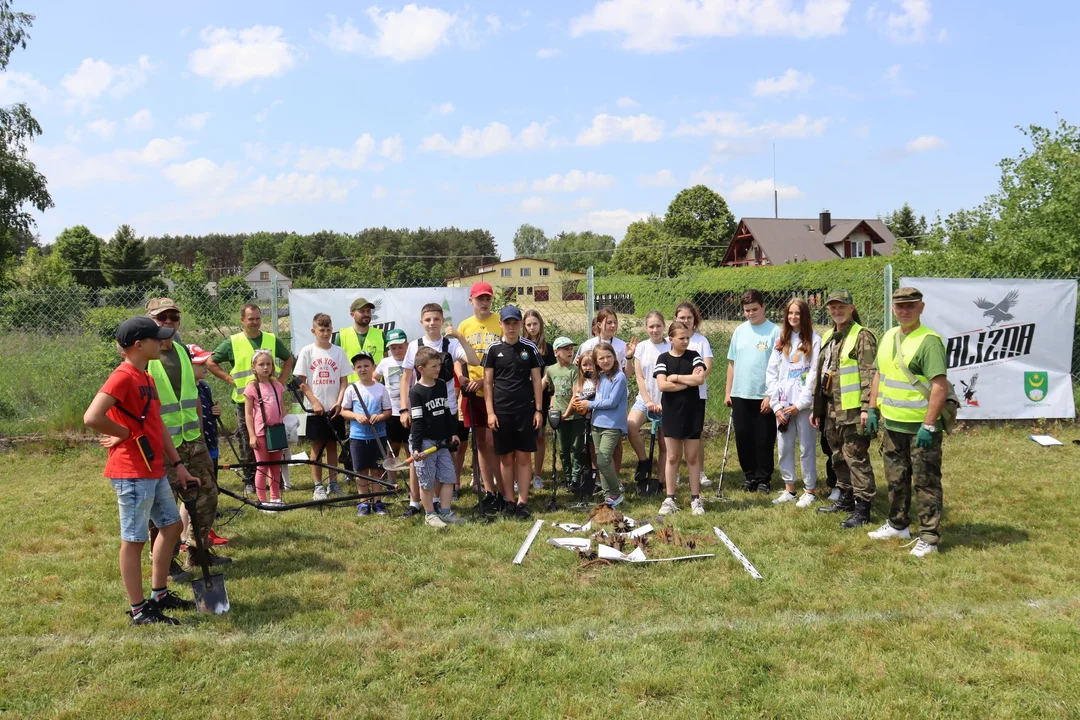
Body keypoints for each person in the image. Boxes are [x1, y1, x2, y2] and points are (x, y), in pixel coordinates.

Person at [83, 316, 198, 626]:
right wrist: (121, 433)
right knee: (133, 541)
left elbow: (156, 424)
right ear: (138, 345)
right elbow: (92, 416)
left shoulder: (145, 376)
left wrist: (178, 465)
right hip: (131, 471)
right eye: (155, 338)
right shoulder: (122, 376)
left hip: (154, 468)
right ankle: (139, 610)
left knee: (172, 527)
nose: (161, 342)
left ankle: (159, 594)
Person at [144, 298, 229, 576]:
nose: (169, 322)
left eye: (173, 317)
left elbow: (191, 394)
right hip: (161, 444)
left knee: (207, 496)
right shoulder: (145, 356)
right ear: (150, 320)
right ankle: (165, 562)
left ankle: (197, 551)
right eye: (162, 317)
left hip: (193, 440)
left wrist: (202, 432)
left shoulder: (182, 350)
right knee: (162, 506)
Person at [866, 287, 948, 558]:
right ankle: (898, 524)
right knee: (896, 478)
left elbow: (939, 386)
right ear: (893, 309)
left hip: (919, 429)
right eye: (899, 306)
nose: (904, 310)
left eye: (910, 306)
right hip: (892, 425)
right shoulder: (889, 336)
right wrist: (873, 408)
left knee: (926, 482)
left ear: (921, 307)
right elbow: (879, 374)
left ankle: (929, 537)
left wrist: (929, 424)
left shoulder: (929, 341)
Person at [401, 304, 480, 514]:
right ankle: (414, 503)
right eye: (427, 320)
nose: (432, 323)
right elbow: (406, 378)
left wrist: (460, 336)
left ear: (442, 320)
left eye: (436, 319)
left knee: (441, 454)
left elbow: (474, 360)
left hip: (446, 408)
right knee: (418, 454)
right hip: (422, 410)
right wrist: (403, 409)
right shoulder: (414, 346)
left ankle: (436, 501)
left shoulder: (450, 344)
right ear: (422, 322)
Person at [207, 304, 293, 495]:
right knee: (248, 440)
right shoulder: (233, 342)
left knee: (272, 441)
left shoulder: (271, 339)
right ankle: (250, 479)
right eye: (250, 319)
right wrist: (230, 379)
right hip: (244, 401)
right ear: (242, 321)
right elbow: (211, 362)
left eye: (257, 318)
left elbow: (288, 358)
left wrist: (282, 380)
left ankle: (273, 482)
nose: (254, 322)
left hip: (269, 400)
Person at [810, 290, 878, 529]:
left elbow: (870, 374)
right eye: (832, 307)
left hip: (852, 411)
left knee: (856, 458)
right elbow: (821, 374)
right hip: (830, 409)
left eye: (841, 306)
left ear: (852, 307)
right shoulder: (829, 335)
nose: (836, 311)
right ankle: (846, 498)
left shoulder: (862, 336)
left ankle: (863, 508)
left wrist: (867, 407)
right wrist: (817, 409)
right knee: (837, 456)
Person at [483, 305, 544, 519]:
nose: (511, 327)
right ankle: (509, 499)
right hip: (501, 411)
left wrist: (538, 409)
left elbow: (536, 380)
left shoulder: (530, 348)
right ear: (500, 324)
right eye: (507, 323)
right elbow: (488, 383)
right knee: (506, 459)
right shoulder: (492, 350)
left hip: (525, 411)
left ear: (520, 325)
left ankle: (522, 502)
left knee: (524, 457)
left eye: (515, 323)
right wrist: (490, 412)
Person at [766, 298, 822, 508]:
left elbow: (814, 373)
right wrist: (776, 406)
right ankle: (790, 488)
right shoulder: (782, 340)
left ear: (805, 315)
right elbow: (771, 372)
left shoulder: (814, 340)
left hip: (803, 405)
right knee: (784, 447)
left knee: (806, 448)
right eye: (790, 313)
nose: (793, 317)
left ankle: (810, 490)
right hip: (783, 405)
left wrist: (800, 403)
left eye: (797, 313)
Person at [724, 289, 781, 494]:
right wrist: (728, 391)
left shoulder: (774, 331)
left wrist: (770, 395)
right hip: (740, 393)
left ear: (764, 307)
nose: (750, 313)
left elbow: (780, 367)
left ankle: (763, 478)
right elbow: (732, 363)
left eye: (754, 309)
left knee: (763, 438)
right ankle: (749, 476)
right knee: (744, 437)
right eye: (747, 310)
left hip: (763, 395)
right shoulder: (739, 331)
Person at [294, 313, 350, 500]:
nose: (325, 334)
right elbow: (301, 382)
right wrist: (315, 402)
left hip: (334, 409)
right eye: (321, 330)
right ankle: (318, 486)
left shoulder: (339, 352)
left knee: (333, 446)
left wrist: (339, 402)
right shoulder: (307, 351)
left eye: (328, 330)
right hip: (315, 410)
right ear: (314, 331)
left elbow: (344, 381)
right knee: (317, 446)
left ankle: (333, 484)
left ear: (332, 330)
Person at [655, 321, 708, 516]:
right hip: (671, 413)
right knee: (672, 456)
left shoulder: (694, 357)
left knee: (692, 457)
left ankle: (696, 498)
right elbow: (662, 385)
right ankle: (670, 498)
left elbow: (700, 379)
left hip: (692, 411)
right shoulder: (663, 358)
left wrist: (676, 377)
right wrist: (688, 382)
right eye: (681, 338)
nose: (685, 341)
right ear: (671, 339)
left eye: (687, 338)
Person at [409, 347, 464, 528]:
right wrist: (416, 447)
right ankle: (430, 514)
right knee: (426, 480)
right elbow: (416, 422)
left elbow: (448, 411)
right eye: (433, 366)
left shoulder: (441, 384)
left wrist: (452, 433)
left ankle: (446, 512)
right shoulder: (416, 392)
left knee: (449, 477)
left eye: (438, 365)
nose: (437, 369)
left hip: (441, 442)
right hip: (425, 442)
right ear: (421, 369)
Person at [458, 282, 503, 506]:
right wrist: (462, 379)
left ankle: (503, 488)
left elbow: (507, 360)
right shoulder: (465, 326)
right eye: (480, 299)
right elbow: (458, 357)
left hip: (496, 391)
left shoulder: (500, 323)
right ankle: (489, 490)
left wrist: (483, 381)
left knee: (495, 441)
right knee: (481, 444)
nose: (484, 303)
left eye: (487, 298)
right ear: (471, 301)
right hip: (474, 393)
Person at [577, 307, 636, 476]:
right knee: (594, 438)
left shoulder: (621, 345)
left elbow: (627, 374)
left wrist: (629, 357)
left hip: (613, 397)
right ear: (598, 324)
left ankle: (615, 475)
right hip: (591, 396)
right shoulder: (587, 345)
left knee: (614, 439)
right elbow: (581, 371)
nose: (613, 326)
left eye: (615, 322)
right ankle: (598, 475)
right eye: (608, 322)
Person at [574, 342, 627, 507]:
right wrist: (582, 400)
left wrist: (588, 405)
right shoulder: (600, 376)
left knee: (603, 461)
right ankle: (608, 496)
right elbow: (597, 398)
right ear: (596, 361)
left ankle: (616, 493)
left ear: (614, 357)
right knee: (600, 460)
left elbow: (611, 402)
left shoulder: (619, 376)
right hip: (596, 424)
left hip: (612, 425)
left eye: (608, 356)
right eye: (601, 358)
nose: (605, 360)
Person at [340, 352, 392, 516]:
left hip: (378, 435)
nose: (363, 369)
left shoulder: (381, 388)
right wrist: (356, 416)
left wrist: (380, 416)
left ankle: (377, 502)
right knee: (361, 471)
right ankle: (363, 503)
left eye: (366, 366)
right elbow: (344, 411)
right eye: (359, 367)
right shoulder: (351, 389)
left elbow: (388, 411)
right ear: (354, 369)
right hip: (358, 437)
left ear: (374, 367)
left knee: (377, 470)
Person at [188, 344, 228, 547]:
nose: (205, 366)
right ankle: (189, 537)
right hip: (196, 448)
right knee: (197, 494)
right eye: (200, 363)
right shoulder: (187, 390)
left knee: (209, 491)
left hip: (210, 444)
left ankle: (204, 532)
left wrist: (214, 412)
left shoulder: (204, 387)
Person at [674, 301, 714, 487]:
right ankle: (674, 473)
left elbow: (707, 368)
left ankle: (700, 472)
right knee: (676, 434)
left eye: (689, 317)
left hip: (697, 395)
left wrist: (690, 381)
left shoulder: (701, 341)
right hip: (675, 394)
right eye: (682, 317)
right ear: (676, 319)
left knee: (695, 435)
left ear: (694, 319)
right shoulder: (671, 341)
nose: (686, 320)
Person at [627, 311, 668, 486]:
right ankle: (644, 461)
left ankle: (660, 480)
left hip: (667, 402)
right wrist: (648, 400)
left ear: (664, 326)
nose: (655, 330)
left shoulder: (671, 346)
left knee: (663, 442)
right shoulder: (642, 347)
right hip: (645, 400)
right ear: (646, 328)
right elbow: (639, 377)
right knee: (631, 425)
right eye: (651, 326)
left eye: (658, 326)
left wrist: (662, 403)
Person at [243, 349, 288, 507]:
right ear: (254, 367)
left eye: (268, 364)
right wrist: (252, 435)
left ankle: (275, 497)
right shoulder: (252, 388)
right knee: (262, 466)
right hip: (261, 432)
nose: (265, 367)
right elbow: (248, 414)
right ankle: (261, 500)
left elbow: (282, 407)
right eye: (261, 364)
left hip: (276, 431)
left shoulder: (277, 385)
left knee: (275, 466)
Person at [374, 329, 411, 510]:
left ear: (407, 345)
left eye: (400, 346)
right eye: (393, 347)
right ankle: (392, 483)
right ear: (389, 348)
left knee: (411, 449)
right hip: (392, 413)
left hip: (410, 411)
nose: (397, 350)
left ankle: (415, 484)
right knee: (393, 448)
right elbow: (374, 379)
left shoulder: (412, 360)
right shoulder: (385, 362)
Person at [544, 337, 583, 491]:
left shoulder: (574, 370)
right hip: (559, 415)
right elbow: (553, 391)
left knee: (576, 446)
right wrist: (552, 408)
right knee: (562, 448)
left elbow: (575, 395)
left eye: (571, 349)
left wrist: (566, 414)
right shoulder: (551, 370)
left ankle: (575, 478)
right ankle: (567, 477)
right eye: (566, 349)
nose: (570, 352)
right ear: (556, 352)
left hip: (574, 415)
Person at [523, 309, 556, 491]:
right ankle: (523, 475)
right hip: (522, 397)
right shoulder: (521, 346)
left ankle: (537, 475)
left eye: (535, 323)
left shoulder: (548, 348)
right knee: (523, 437)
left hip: (540, 397)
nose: (532, 327)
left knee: (539, 437)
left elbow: (547, 376)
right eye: (528, 324)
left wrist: (537, 394)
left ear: (540, 325)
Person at [335, 297, 385, 376]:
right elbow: (336, 365)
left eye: (368, 311)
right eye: (362, 311)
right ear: (352, 314)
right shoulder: (342, 335)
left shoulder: (380, 334)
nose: (366, 314)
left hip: (375, 385)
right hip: (350, 386)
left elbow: (385, 363)